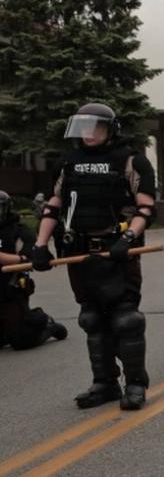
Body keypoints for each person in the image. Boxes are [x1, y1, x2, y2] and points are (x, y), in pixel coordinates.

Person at [32, 103, 155, 410]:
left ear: (110, 129)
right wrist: (40, 245)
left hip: (116, 249)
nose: (88, 134)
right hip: (78, 250)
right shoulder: (68, 163)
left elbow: (145, 208)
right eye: (83, 128)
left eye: (95, 127)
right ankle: (105, 382)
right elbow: (54, 205)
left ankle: (136, 384)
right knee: (92, 318)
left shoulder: (130, 160)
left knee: (126, 319)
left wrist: (128, 238)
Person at [0, 190, 69, 351]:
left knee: (21, 340)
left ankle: (47, 324)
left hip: (9, 290)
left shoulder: (18, 231)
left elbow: (27, 258)